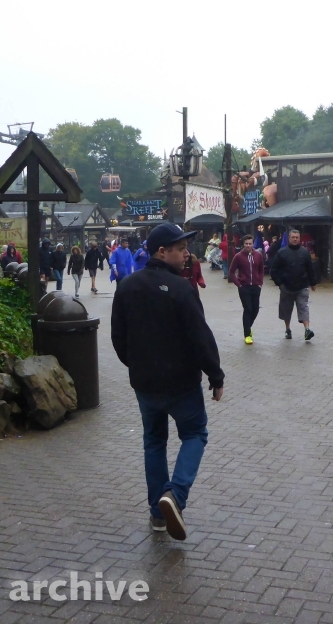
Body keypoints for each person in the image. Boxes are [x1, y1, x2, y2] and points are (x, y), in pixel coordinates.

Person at [111, 222, 224, 541]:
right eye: (181, 248)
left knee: (154, 441)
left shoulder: (128, 286)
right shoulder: (182, 288)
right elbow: (200, 336)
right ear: (162, 251)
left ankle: (157, 514)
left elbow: (118, 338)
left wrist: (138, 366)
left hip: (145, 384)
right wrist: (215, 375)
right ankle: (175, 496)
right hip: (181, 383)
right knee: (195, 434)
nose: (187, 254)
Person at [270, 228, 318, 341]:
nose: (295, 239)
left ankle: (307, 329)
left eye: (297, 237)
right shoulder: (281, 252)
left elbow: (310, 269)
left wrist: (313, 282)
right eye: (293, 237)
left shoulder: (305, 252)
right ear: (289, 238)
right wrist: (279, 283)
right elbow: (274, 270)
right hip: (286, 287)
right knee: (286, 309)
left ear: (299, 238)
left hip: (302, 286)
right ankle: (288, 329)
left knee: (303, 307)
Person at [228, 234, 265, 344]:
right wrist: (239, 284)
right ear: (243, 244)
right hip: (244, 287)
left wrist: (260, 283)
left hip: (256, 286)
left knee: (255, 309)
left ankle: (248, 327)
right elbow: (231, 272)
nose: (248, 246)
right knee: (248, 309)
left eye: (250, 243)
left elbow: (261, 270)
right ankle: (247, 334)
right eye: (246, 244)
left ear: (253, 244)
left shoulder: (258, 255)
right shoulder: (238, 256)